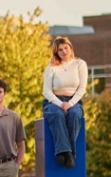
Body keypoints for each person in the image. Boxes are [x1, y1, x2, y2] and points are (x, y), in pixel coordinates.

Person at [42, 36, 88, 168]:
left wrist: (70, 103)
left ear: (71, 48)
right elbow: (46, 91)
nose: (64, 51)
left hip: (74, 101)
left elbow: (82, 88)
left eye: (66, 48)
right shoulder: (51, 68)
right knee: (57, 114)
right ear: (56, 52)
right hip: (53, 102)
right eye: (60, 50)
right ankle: (65, 152)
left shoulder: (80, 64)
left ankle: (68, 152)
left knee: (74, 115)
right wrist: (60, 104)